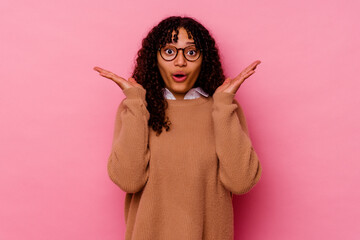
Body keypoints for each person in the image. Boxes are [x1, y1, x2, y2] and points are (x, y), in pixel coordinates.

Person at [94, 16, 262, 240]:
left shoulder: (224, 109)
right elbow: (129, 180)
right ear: (155, 58)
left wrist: (222, 106)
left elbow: (241, 182)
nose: (180, 62)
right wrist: (135, 102)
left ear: (204, 59)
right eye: (170, 52)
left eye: (191, 52)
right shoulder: (136, 109)